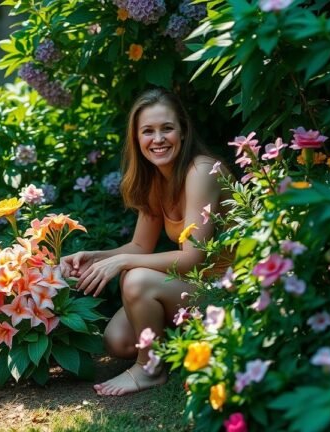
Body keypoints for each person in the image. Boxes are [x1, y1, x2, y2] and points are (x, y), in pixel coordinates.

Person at [60, 88, 230, 396]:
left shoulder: (201, 172)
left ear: (183, 131)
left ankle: (150, 369)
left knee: (136, 279)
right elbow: (139, 247)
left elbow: (194, 257)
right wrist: (94, 258)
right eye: (148, 131)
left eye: (167, 128)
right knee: (119, 341)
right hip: (194, 289)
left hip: (228, 294)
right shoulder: (156, 180)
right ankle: (192, 349)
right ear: (137, 139)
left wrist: (123, 264)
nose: (158, 138)